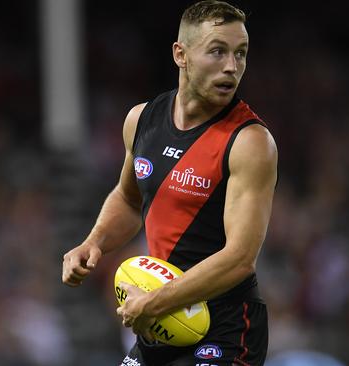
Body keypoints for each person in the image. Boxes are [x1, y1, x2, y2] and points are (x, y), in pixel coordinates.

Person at [61, 1, 277, 365]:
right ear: (181, 54)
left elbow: (240, 259)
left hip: (225, 327)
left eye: (240, 53)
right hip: (163, 322)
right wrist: (94, 242)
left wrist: (154, 302)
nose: (231, 66)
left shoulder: (250, 142)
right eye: (217, 51)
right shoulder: (141, 119)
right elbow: (130, 201)